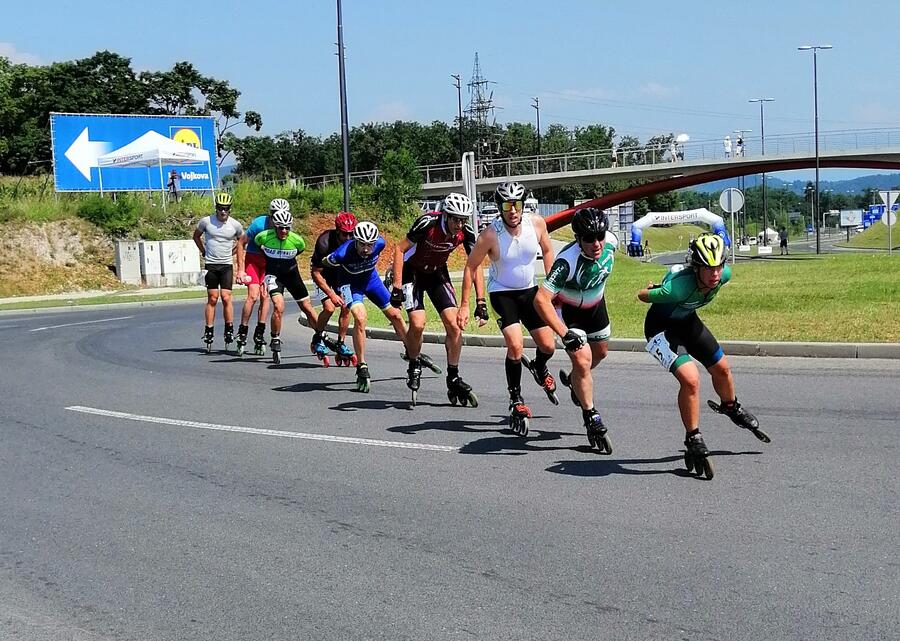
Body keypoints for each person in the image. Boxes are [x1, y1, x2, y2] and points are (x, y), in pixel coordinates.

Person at [637, 232, 770, 480]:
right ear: (695, 268)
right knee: (691, 379)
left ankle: (730, 406)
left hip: (687, 322)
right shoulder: (678, 287)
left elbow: (720, 274)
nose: (715, 274)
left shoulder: (724, 276)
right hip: (661, 329)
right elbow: (641, 295)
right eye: (708, 268)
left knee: (722, 368)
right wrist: (654, 289)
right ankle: (693, 437)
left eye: (719, 266)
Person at [458, 181, 557, 436]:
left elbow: (548, 250)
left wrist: (552, 285)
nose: (512, 210)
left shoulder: (536, 224)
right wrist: (467, 305)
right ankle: (515, 398)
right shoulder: (490, 234)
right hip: (502, 293)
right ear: (499, 207)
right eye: (506, 205)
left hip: (530, 292)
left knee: (548, 346)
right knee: (515, 346)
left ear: (523, 205)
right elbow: (471, 266)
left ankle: (539, 366)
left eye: (516, 204)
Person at [533, 207, 618, 452]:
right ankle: (591, 415)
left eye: (600, 236)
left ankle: (573, 381)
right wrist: (563, 332)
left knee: (600, 354)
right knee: (582, 361)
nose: (596, 243)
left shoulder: (610, 242)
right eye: (589, 239)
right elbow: (541, 299)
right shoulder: (566, 261)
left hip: (595, 306)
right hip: (569, 313)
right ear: (578, 238)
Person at [390, 192, 482, 406]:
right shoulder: (427, 223)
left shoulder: (465, 233)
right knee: (418, 324)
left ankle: (453, 377)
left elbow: (475, 266)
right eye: (455, 219)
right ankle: (414, 364)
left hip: (437, 273)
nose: (459, 224)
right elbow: (399, 249)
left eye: (463, 220)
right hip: (412, 272)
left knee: (454, 326)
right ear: (446, 215)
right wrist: (396, 287)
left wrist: (480, 302)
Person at [323, 221, 410, 393]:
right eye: (362, 244)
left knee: (396, 315)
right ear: (355, 240)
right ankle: (362, 365)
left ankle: (411, 350)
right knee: (360, 318)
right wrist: (334, 288)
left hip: (371, 280)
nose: (365, 249)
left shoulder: (381, 243)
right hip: (349, 285)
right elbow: (324, 264)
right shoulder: (341, 254)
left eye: (369, 245)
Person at [253, 207, 320, 364]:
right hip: (274, 276)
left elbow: (300, 249)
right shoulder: (263, 237)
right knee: (278, 306)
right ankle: (275, 337)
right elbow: (258, 246)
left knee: (308, 308)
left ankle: (320, 334)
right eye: (280, 228)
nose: (284, 231)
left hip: (292, 275)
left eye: (287, 228)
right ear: (275, 226)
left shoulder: (296, 240)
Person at [235, 198, 287, 355]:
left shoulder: (284, 227)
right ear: (270, 215)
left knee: (265, 296)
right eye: (275, 215)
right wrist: (240, 270)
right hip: (253, 259)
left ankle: (260, 331)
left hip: (269, 263)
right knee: (253, 296)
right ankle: (243, 330)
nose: (278, 219)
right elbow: (241, 243)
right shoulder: (259, 224)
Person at [193, 192, 243, 351]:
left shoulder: (235, 225)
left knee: (226, 297)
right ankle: (209, 329)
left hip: (226, 265)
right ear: (216, 208)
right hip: (211, 265)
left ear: (230, 210)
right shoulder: (206, 222)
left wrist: (234, 252)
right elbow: (196, 237)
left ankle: (229, 329)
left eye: (226, 209)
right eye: (220, 208)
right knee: (213, 298)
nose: (223, 212)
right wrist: (203, 251)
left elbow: (243, 241)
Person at [309, 211, 357, 366]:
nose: (348, 238)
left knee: (346, 307)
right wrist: (331, 294)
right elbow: (315, 272)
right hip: (323, 276)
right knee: (329, 308)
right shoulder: (324, 242)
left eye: (351, 234)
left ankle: (341, 343)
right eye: (345, 234)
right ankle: (317, 337)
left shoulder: (355, 243)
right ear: (337, 231)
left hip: (340, 276)